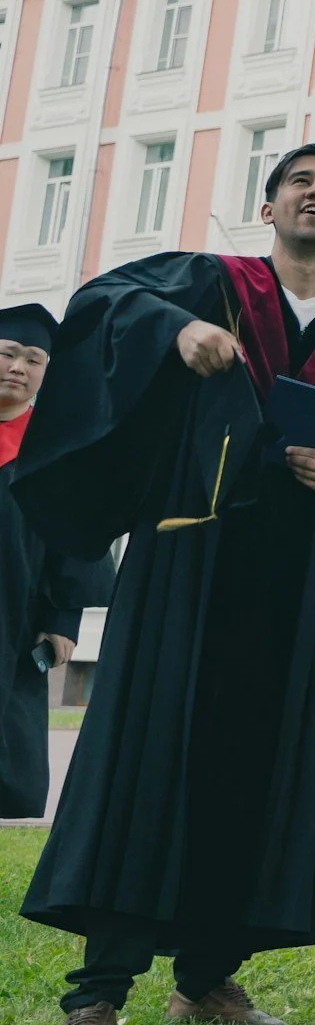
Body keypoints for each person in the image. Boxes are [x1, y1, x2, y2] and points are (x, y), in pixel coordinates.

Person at [21, 145, 315, 1025]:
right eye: (301, 181)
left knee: (257, 775)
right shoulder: (206, 283)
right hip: (189, 564)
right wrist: (172, 331)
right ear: (270, 203)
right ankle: (97, 995)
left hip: (299, 586)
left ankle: (206, 977)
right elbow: (99, 311)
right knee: (146, 759)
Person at [0, 307, 111, 821]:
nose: (18, 366)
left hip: (11, 619)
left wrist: (63, 620)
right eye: (6, 353)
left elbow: (75, 542)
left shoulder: (56, 450)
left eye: (33, 358)